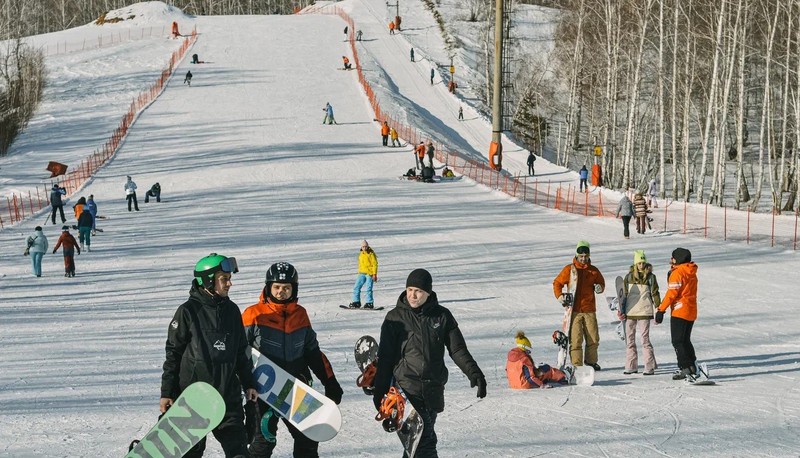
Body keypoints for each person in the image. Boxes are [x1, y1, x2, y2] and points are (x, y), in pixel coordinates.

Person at [373, 269, 486, 457]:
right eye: (409, 289)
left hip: (433, 390)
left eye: (418, 290)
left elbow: (457, 349)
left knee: (415, 446)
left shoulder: (442, 316)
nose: (412, 295)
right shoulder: (395, 318)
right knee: (425, 443)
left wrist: (475, 373)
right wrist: (380, 394)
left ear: (428, 292)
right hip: (407, 391)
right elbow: (385, 358)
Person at [242, 262, 343, 457]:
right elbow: (239, 353)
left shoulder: (301, 314)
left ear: (293, 289)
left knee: (308, 439)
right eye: (277, 287)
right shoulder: (253, 314)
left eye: (287, 288)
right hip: (264, 389)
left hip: (296, 387)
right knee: (263, 442)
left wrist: (330, 382)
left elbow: (313, 353)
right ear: (268, 287)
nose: (281, 292)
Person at [161, 254, 257, 457]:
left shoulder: (232, 311)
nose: (229, 283)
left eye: (229, 278)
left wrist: (249, 383)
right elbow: (173, 354)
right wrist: (167, 391)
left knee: (239, 452)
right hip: (193, 399)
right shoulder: (188, 311)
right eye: (224, 278)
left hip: (227, 398)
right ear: (207, 280)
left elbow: (241, 352)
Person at [553, 241, 605, 370]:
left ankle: (591, 361)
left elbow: (601, 284)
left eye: (585, 256)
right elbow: (557, 283)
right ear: (576, 255)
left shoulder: (593, 271)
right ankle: (577, 364)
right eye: (581, 256)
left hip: (589, 309)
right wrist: (560, 296)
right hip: (574, 310)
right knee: (575, 339)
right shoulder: (570, 269)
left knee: (593, 337)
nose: (583, 258)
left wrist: (599, 288)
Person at [655, 248, 700, 380]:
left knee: (677, 341)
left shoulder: (678, 273)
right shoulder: (691, 271)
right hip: (691, 310)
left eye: (673, 258)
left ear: (678, 259)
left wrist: (661, 310)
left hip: (680, 310)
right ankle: (693, 366)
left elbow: (671, 294)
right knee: (685, 340)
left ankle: (685, 367)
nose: (671, 260)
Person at [620, 250, 660, 375]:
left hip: (645, 311)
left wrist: (659, 308)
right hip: (630, 311)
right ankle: (631, 365)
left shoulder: (651, 277)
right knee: (630, 339)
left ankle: (649, 366)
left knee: (645, 339)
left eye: (643, 263)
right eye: (639, 263)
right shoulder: (628, 277)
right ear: (635, 264)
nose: (641, 266)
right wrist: (621, 310)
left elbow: (655, 293)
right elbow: (623, 295)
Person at [348, 240, 378, 309]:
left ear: (367, 246)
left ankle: (369, 303)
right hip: (362, 273)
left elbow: (375, 264)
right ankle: (356, 302)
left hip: (369, 274)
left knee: (368, 288)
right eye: (363, 247)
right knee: (356, 287)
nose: (364, 248)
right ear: (361, 247)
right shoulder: (361, 254)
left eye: (365, 246)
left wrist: (374, 274)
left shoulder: (371, 254)